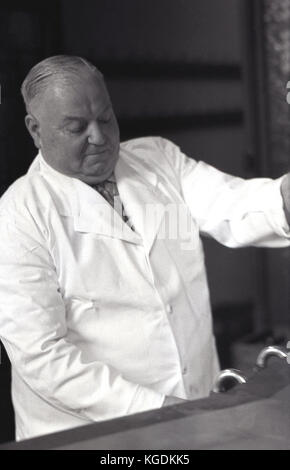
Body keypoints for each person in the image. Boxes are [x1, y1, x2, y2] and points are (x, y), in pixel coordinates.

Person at [0, 55, 289, 441]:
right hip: (94, 435)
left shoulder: (157, 160)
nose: (99, 137)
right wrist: (159, 409)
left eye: (105, 119)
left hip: (196, 412)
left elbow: (233, 206)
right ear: (35, 130)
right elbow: (42, 356)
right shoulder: (20, 215)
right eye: (77, 127)